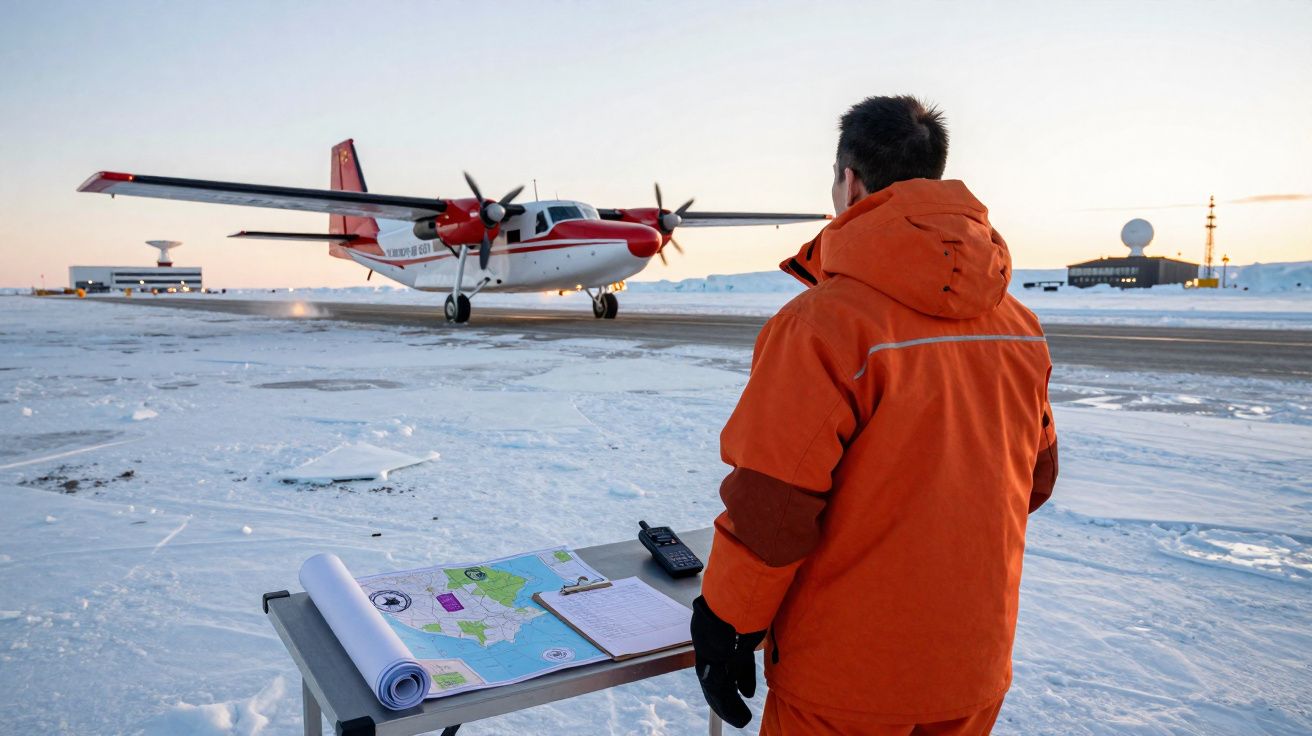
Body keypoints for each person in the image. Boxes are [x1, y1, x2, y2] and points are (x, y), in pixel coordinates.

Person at [690, 95, 1058, 735]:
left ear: (849, 181)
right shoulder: (1019, 327)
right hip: (971, 671)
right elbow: (1036, 479)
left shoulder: (821, 326)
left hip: (844, 682)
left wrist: (726, 625)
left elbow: (774, 512)